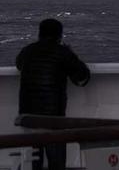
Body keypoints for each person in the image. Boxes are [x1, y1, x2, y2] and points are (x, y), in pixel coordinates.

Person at [16, 18, 91, 170]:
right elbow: (82, 76)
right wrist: (71, 53)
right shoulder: (63, 53)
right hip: (53, 116)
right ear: (60, 35)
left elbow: (19, 64)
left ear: (40, 33)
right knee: (56, 160)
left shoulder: (27, 51)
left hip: (28, 114)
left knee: (32, 160)